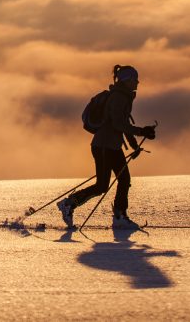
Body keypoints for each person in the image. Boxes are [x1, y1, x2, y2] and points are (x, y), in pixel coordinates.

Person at [58, 65, 156, 230]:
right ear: (126, 81)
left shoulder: (124, 97)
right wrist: (141, 131)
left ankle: (119, 215)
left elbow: (122, 124)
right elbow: (119, 124)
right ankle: (69, 203)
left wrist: (134, 144)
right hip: (103, 147)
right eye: (135, 79)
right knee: (102, 185)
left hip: (111, 146)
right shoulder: (118, 98)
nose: (138, 82)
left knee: (123, 179)